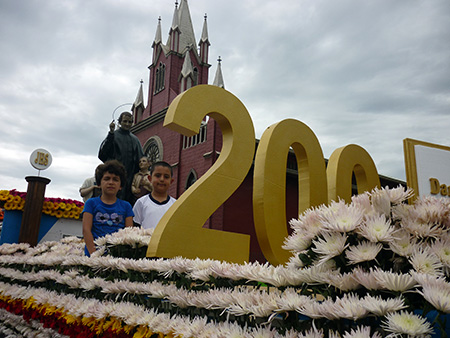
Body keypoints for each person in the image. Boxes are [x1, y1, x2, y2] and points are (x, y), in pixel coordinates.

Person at [82, 160, 134, 256]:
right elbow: (86, 230)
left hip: (117, 258)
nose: (111, 182)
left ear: (121, 186)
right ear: (99, 183)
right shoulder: (91, 203)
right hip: (93, 256)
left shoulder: (126, 206)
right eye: (106, 179)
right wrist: (94, 255)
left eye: (115, 179)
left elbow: (128, 233)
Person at [98, 111, 144, 205]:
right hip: (114, 174)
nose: (127, 124)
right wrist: (110, 133)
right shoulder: (113, 136)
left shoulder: (135, 140)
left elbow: (141, 159)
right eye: (125, 121)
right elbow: (103, 154)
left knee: (127, 203)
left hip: (130, 177)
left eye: (129, 122)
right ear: (120, 122)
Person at [133, 161, 176, 230]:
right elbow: (135, 228)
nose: (162, 179)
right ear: (150, 178)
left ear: (171, 181)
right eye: (158, 176)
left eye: (166, 177)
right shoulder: (141, 203)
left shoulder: (175, 205)